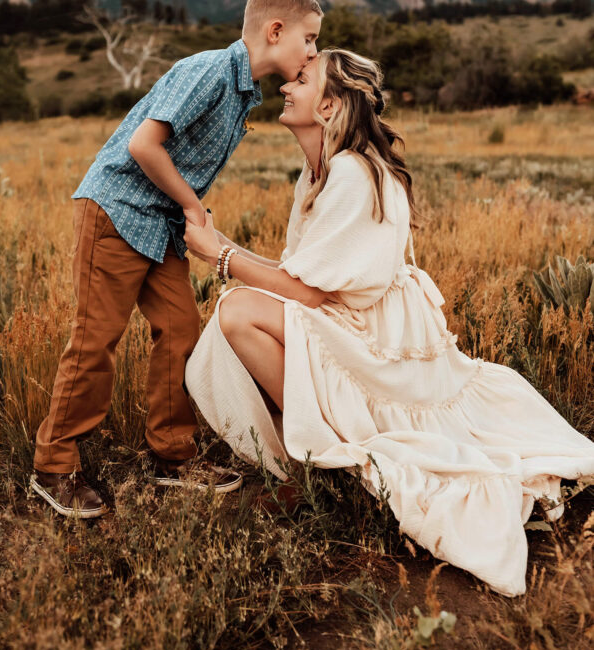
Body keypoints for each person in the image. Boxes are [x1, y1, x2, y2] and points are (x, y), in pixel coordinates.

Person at [183, 47, 594, 597]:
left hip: (379, 334)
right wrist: (221, 242)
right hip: (350, 315)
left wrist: (220, 258)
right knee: (241, 305)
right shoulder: (315, 175)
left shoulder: (354, 173)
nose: (285, 86)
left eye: (301, 79)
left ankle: (325, 463)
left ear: (328, 107)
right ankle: (314, 453)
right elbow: (299, 271)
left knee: (236, 309)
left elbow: (308, 288)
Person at [30, 0, 323, 518]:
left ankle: (172, 456)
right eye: (308, 39)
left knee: (182, 330)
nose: (312, 52)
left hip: (157, 223)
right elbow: (144, 145)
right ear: (274, 30)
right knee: (96, 339)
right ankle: (54, 464)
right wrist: (193, 207)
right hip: (117, 212)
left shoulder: (244, 96)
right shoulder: (212, 70)